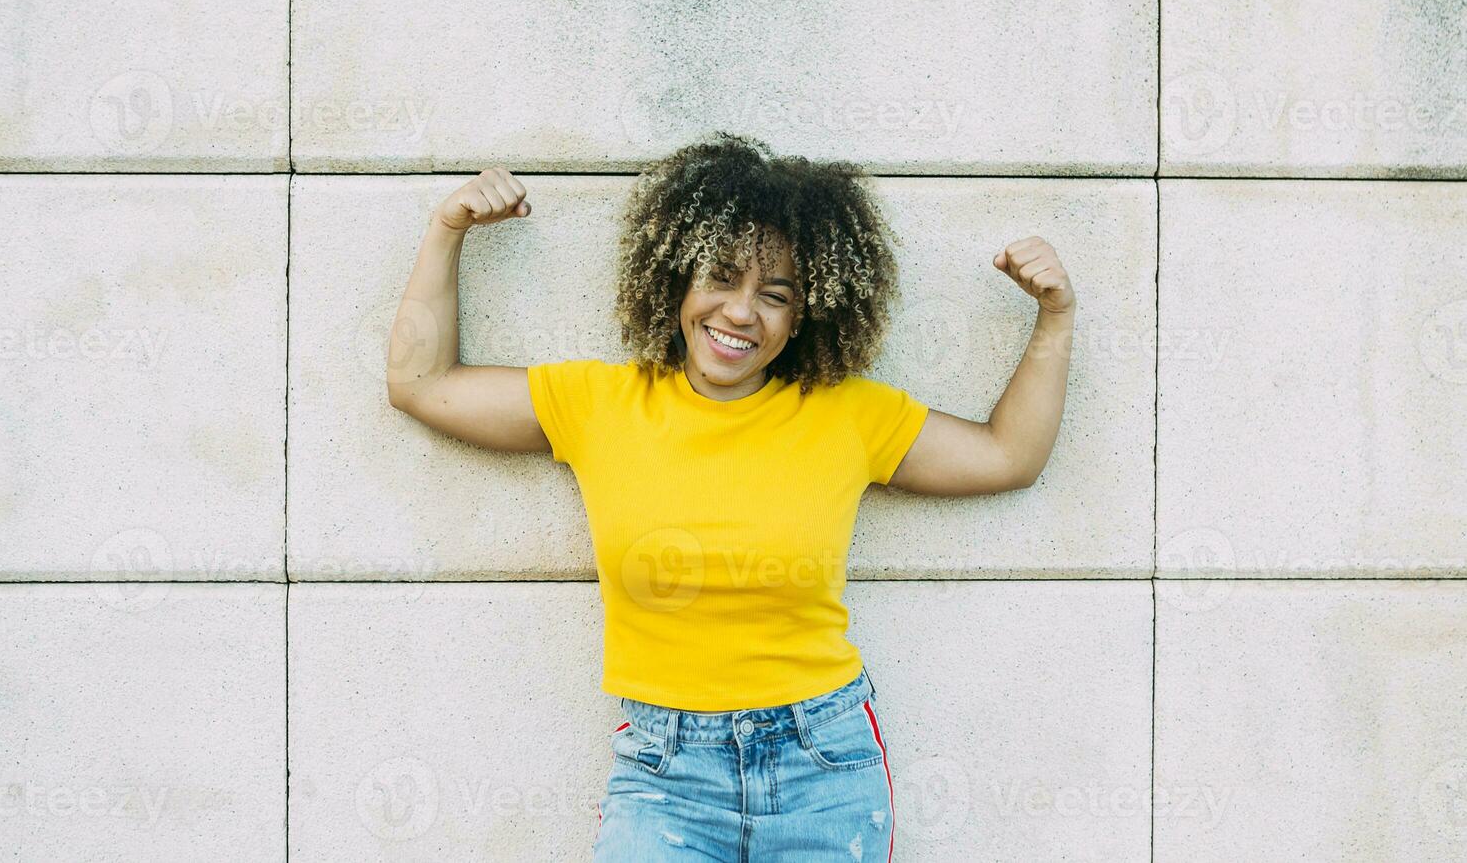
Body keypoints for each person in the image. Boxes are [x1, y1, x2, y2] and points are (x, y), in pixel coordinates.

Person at [385, 131, 1076, 861]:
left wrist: (1055, 318)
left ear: (805, 316)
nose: (742, 313)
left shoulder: (847, 415)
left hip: (824, 763)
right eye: (720, 277)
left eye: (775, 296)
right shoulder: (599, 404)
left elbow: (1009, 455)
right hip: (665, 771)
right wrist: (447, 229)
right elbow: (420, 384)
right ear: (676, 277)